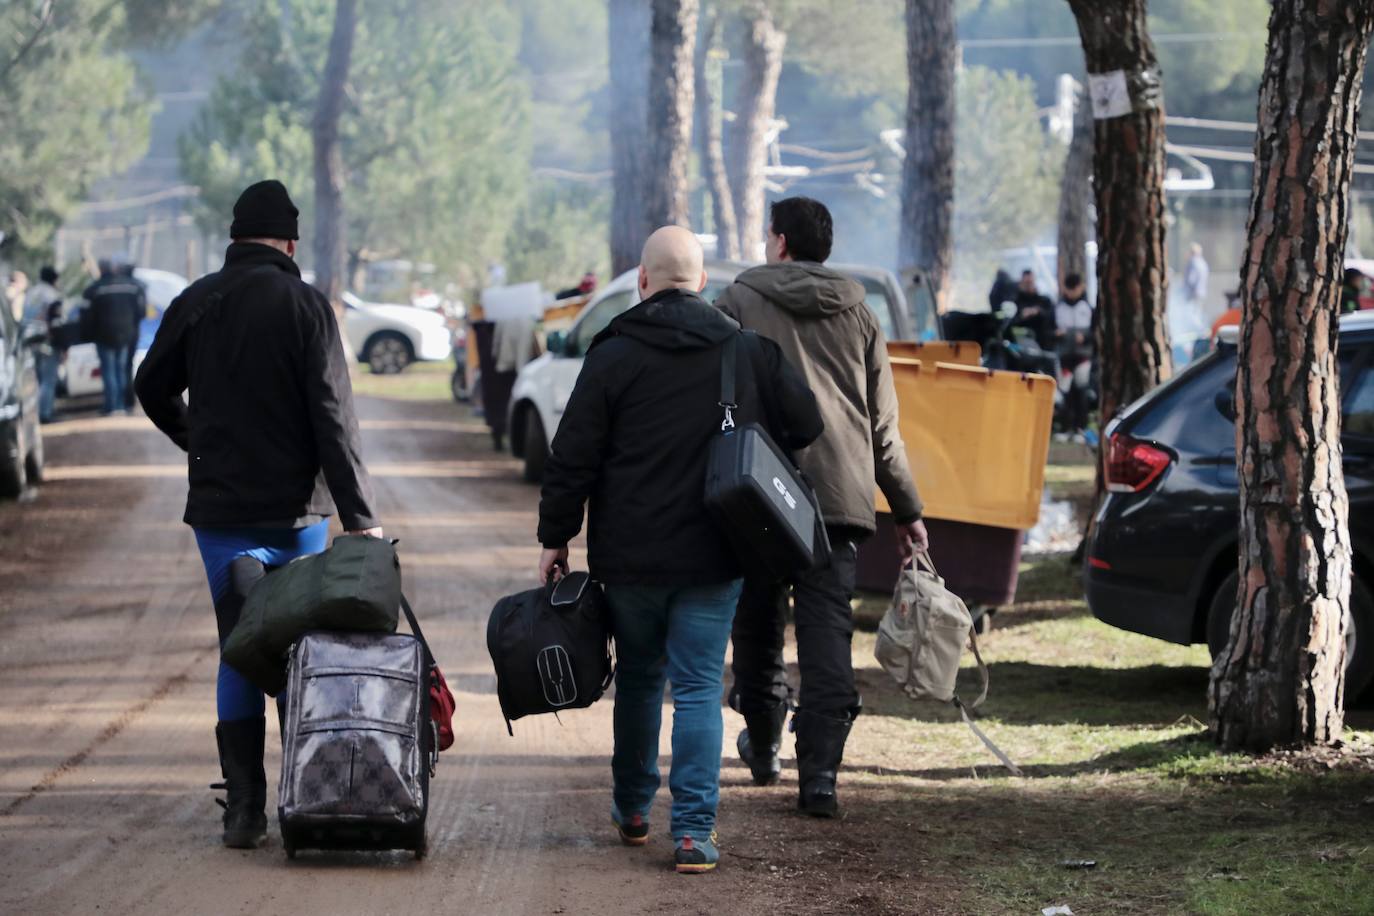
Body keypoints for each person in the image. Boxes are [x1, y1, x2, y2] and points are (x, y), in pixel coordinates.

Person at [537, 226, 822, 874]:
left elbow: (571, 458)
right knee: (697, 686)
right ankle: (692, 833)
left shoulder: (611, 354)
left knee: (639, 678)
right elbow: (807, 422)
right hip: (717, 554)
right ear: (702, 284)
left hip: (629, 559)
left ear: (642, 282)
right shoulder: (746, 350)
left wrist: (556, 538)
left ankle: (633, 809)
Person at [136, 179, 381, 850]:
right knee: (301, 649)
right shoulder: (306, 305)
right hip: (298, 516)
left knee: (240, 649)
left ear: (235, 238)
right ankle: (304, 798)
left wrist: (197, 439)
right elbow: (333, 415)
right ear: (290, 243)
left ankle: (242, 811)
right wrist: (360, 516)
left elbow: (148, 385)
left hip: (223, 519)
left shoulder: (197, 301)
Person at [716, 197, 927, 819]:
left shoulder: (739, 299)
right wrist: (908, 507)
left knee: (756, 621)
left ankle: (764, 746)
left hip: (757, 490)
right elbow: (883, 425)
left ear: (780, 242)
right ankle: (821, 777)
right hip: (836, 498)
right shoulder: (859, 311)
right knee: (827, 630)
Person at [83, 257, 144, 416]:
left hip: (103, 336)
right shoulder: (131, 286)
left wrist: (89, 334)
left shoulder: (96, 288)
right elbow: (140, 312)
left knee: (109, 370)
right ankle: (122, 405)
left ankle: (111, 406)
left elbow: (87, 316)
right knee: (121, 369)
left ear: (101, 269)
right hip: (125, 335)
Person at [1055, 273, 1094, 434]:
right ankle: (1066, 427)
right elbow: (1048, 331)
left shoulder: (1087, 308)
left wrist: (1084, 337)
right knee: (1065, 393)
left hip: (1083, 357)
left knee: (1081, 392)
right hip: (1064, 357)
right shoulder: (1059, 308)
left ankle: (1081, 427)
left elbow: (1095, 332)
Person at [23, 266, 63, 422]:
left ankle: (37, 413)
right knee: (49, 379)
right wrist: (62, 344)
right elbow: (56, 322)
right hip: (48, 342)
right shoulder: (52, 295)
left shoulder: (31, 293)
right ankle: (45, 414)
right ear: (53, 279)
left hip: (30, 341)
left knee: (37, 380)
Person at [117, 259, 147, 411]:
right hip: (133, 330)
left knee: (121, 366)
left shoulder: (120, 286)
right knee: (128, 366)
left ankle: (122, 401)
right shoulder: (139, 286)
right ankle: (129, 401)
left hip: (121, 332)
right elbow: (142, 312)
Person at [1012, 270, 1056, 351]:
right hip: (1022, 345)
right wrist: (1022, 316)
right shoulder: (1016, 302)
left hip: (1044, 342)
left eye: (1031, 282)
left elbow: (1051, 319)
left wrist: (1038, 312)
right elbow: (1011, 322)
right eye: (1026, 282)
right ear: (1021, 283)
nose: (1029, 285)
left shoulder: (1045, 301)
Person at [1184, 244, 1209, 312]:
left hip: (1193, 294)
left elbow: (1191, 279)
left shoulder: (1193, 262)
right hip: (1201, 293)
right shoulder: (1203, 263)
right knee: (1198, 313)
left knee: (1191, 315)